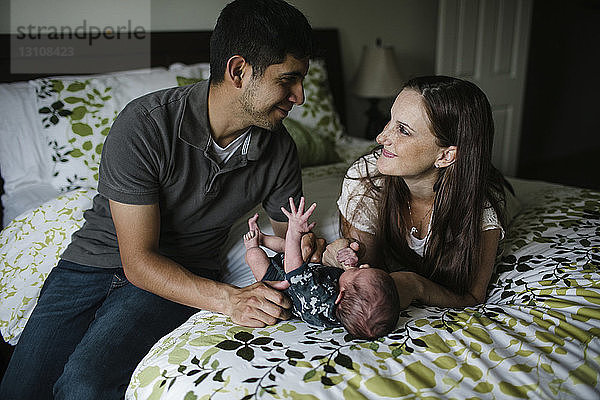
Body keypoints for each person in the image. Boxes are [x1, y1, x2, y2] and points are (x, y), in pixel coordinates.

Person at [0, 0, 316, 398]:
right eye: (288, 80)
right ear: (238, 71)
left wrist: (315, 248)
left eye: (302, 80)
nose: (299, 96)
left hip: (181, 271)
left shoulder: (279, 148)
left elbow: (293, 239)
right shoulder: (145, 124)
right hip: (93, 263)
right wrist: (229, 300)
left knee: (85, 385)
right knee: (19, 389)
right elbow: (138, 261)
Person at [323, 76, 511, 311]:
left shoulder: (482, 211)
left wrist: (415, 285)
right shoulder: (365, 181)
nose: (381, 138)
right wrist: (338, 255)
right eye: (389, 120)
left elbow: (472, 298)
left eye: (402, 130)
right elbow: (368, 277)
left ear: (445, 156)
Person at [243, 197, 400, 339]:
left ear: (340, 296)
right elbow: (354, 285)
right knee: (291, 248)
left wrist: (294, 231)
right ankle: (263, 238)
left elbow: (292, 270)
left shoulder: (319, 299)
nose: (364, 265)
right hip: (306, 271)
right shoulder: (348, 312)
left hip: (279, 283)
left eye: (360, 271)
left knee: (256, 256)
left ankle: (254, 244)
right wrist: (350, 263)